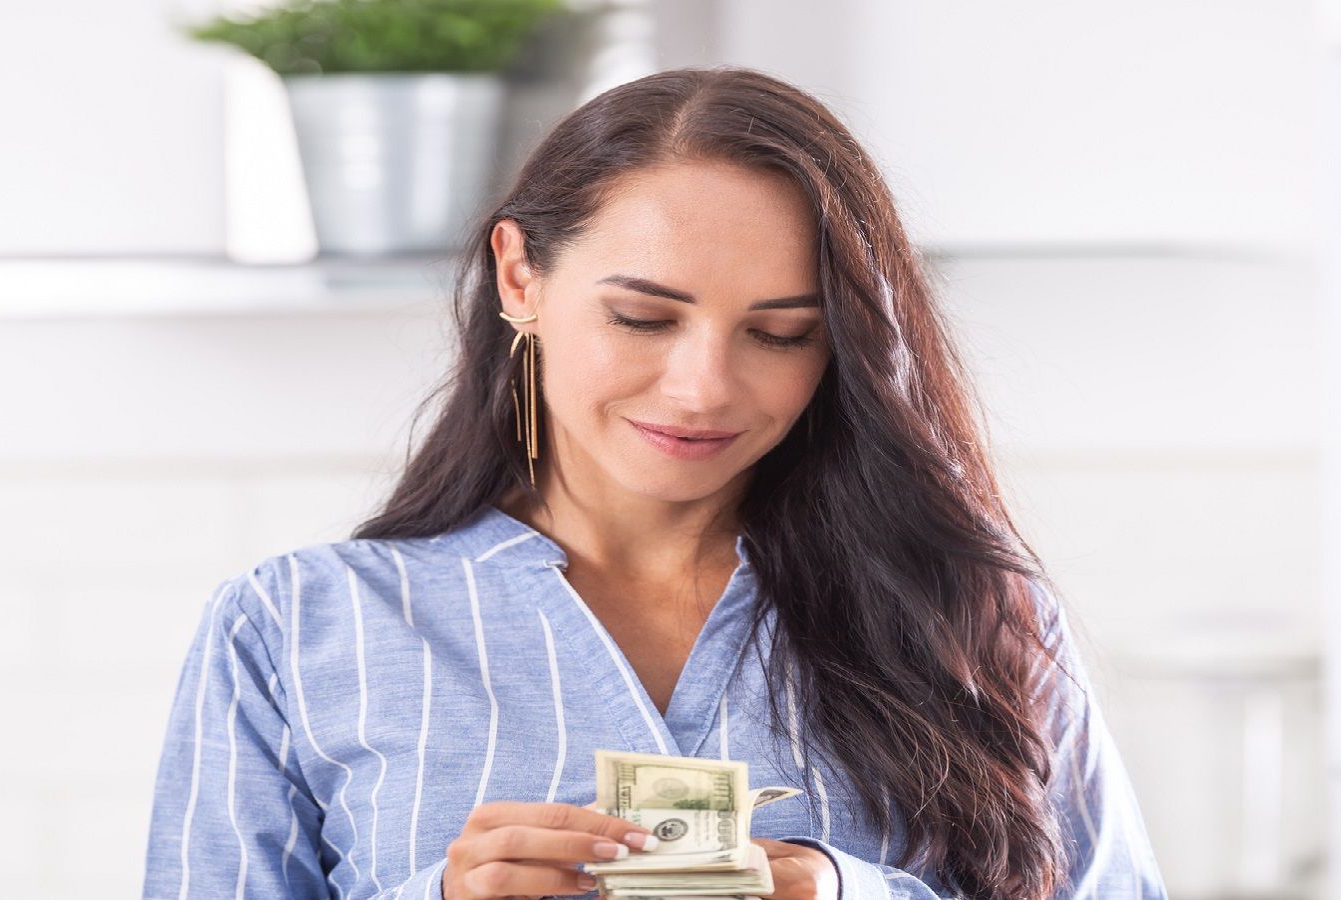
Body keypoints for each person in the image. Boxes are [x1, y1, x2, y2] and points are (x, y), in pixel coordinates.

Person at [141, 66, 1168, 900]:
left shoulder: (971, 614)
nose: (702, 388)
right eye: (642, 318)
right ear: (519, 276)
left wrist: (846, 892)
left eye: (781, 334)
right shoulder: (294, 628)